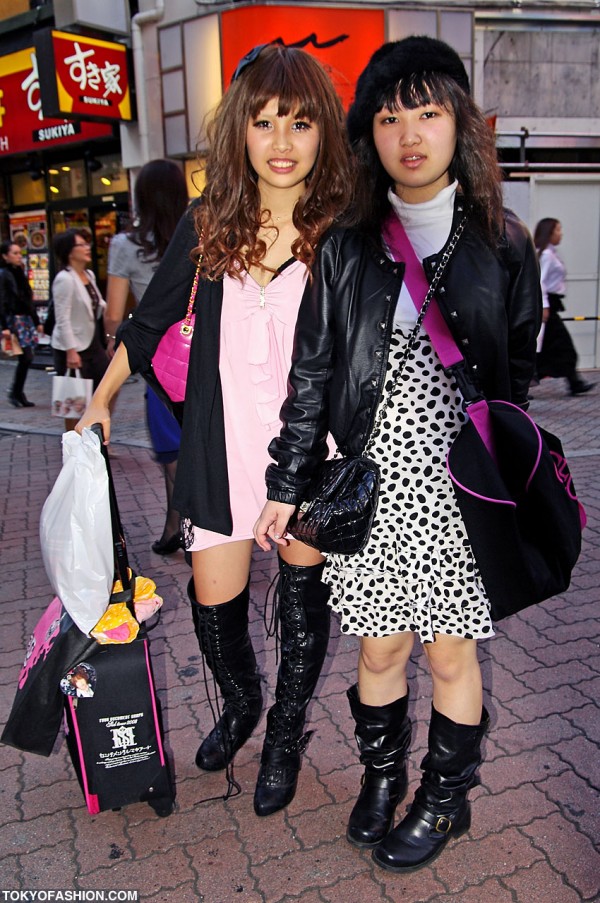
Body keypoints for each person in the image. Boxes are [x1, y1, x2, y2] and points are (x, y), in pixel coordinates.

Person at [254, 36, 542, 872]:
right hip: (374, 483)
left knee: (449, 651)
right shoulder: (345, 243)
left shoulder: (504, 240)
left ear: (459, 124)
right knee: (378, 647)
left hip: (460, 487)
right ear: (368, 136)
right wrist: (287, 482)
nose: (409, 132)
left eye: (428, 111)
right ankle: (382, 776)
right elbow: (311, 373)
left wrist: (507, 471)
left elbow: (518, 367)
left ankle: (444, 796)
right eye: (388, 117)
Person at [74, 44, 355, 816]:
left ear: (323, 131)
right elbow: (146, 324)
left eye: (299, 122)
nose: (282, 141)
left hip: (311, 455)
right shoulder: (209, 223)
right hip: (220, 450)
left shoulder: (340, 230)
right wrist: (99, 399)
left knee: (302, 608)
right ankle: (240, 702)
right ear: (239, 132)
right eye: (264, 123)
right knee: (215, 599)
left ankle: (286, 737)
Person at [105, 159, 189, 555]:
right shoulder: (198, 231)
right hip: (205, 357)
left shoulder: (127, 246)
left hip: (161, 363)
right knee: (201, 448)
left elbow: (114, 312)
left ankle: (186, 531)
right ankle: (180, 528)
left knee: (173, 455)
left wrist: (114, 344)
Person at [50, 229, 109, 431]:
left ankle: (95, 438)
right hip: (73, 347)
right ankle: (73, 442)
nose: (87, 248)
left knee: (104, 392)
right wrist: (71, 350)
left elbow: (97, 307)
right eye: (81, 245)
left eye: (87, 244)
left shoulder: (89, 275)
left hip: (93, 344)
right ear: (69, 252)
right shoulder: (64, 279)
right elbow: (62, 318)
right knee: (73, 401)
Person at [533, 217, 594, 397]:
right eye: (558, 230)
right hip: (547, 304)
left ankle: (573, 381)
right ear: (549, 233)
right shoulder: (545, 255)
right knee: (562, 345)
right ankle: (573, 382)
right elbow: (540, 281)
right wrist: (544, 306)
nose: (561, 234)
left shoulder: (549, 253)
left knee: (548, 347)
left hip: (552, 303)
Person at [0, 241, 44, 407]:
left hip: (24, 319)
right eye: (15, 253)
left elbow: (27, 299)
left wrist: (36, 320)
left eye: (20, 253)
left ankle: (17, 392)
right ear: (5, 256)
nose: (19, 256)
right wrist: (5, 326)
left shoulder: (19, 272)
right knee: (25, 357)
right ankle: (16, 392)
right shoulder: (3, 274)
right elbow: (3, 301)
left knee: (26, 357)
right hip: (14, 320)